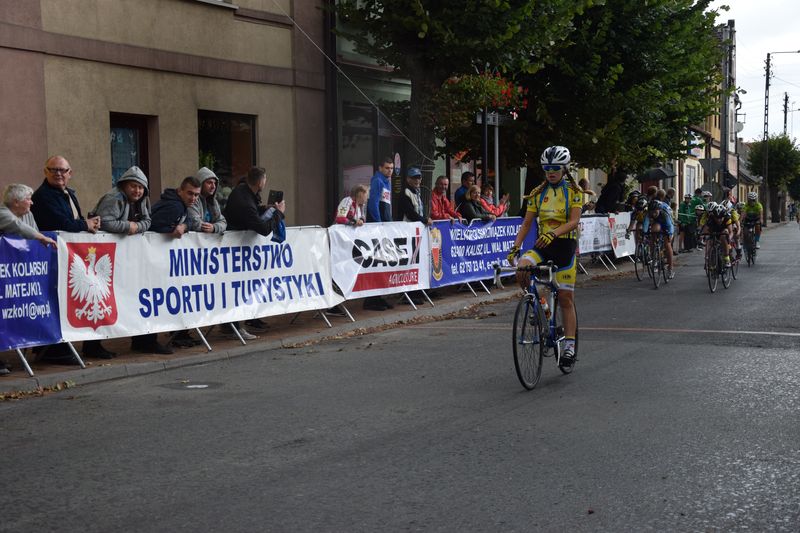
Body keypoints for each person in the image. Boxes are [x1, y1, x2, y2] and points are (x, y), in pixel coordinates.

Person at [31, 155, 114, 361]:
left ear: (70, 173)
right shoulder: (43, 196)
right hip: (51, 255)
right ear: (45, 172)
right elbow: (62, 222)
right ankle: (51, 351)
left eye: (62, 170)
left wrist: (87, 224)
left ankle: (91, 344)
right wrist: (86, 225)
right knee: (55, 300)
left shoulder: (68, 193)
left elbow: (72, 220)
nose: (58, 174)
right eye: (54, 170)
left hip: (72, 254)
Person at [508, 145, 581, 366]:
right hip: (543, 244)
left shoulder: (573, 192)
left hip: (565, 246)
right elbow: (527, 223)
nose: (551, 172)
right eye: (547, 168)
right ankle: (541, 306)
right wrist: (515, 246)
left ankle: (569, 346)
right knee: (522, 269)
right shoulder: (537, 194)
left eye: (555, 168)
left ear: (564, 169)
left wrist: (553, 233)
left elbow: (574, 221)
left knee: (566, 298)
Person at [224, 166, 286, 332]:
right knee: (236, 288)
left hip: (237, 248)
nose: (265, 182)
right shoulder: (244, 200)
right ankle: (233, 327)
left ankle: (240, 323)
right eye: (265, 179)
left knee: (244, 285)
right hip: (233, 249)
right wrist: (278, 213)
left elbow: (253, 211)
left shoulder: (244, 190)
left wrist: (265, 208)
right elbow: (264, 230)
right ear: (260, 182)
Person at [93, 166, 152, 235]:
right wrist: (128, 226)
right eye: (133, 186)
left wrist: (137, 227)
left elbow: (147, 221)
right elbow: (104, 222)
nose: (137, 190)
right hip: (106, 243)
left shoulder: (141, 199)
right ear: (124, 185)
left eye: (140, 187)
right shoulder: (114, 198)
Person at [187, 167, 227, 234]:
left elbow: (223, 222)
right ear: (201, 184)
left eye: (215, 183)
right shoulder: (193, 199)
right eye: (209, 183)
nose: (213, 186)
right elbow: (195, 224)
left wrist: (214, 228)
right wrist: (210, 228)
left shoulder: (213, 202)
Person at [642, 198, 675, 278]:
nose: (653, 214)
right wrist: (644, 234)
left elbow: (670, 226)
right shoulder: (648, 213)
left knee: (667, 243)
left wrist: (669, 235)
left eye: (655, 212)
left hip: (667, 223)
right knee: (653, 231)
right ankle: (654, 256)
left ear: (659, 210)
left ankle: (670, 268)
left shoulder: (664, 213)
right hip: (657, 222)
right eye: (651, 212)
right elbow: (645, 225)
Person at [699, 202, 734, 268]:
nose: (719, 220)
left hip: (723, 232)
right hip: (714, 231)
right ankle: (709, 260)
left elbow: (731, 232)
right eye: (717, 218)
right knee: (709, 241)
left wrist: (729, 238)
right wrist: (701, 236)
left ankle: (727, 258)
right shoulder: (711, 218)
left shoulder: (727, 217)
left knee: (724, 234)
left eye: (721, 218)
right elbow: (706, 228)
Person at [366, 157, 393, 223]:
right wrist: (378, 222)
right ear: (380, 168)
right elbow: (373, 204)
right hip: (378, 224)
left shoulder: (387, 181)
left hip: (385, 222)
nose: (390, 170)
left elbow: (386, 206)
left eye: (392, 168)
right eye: (387, 168)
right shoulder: (377, 181)